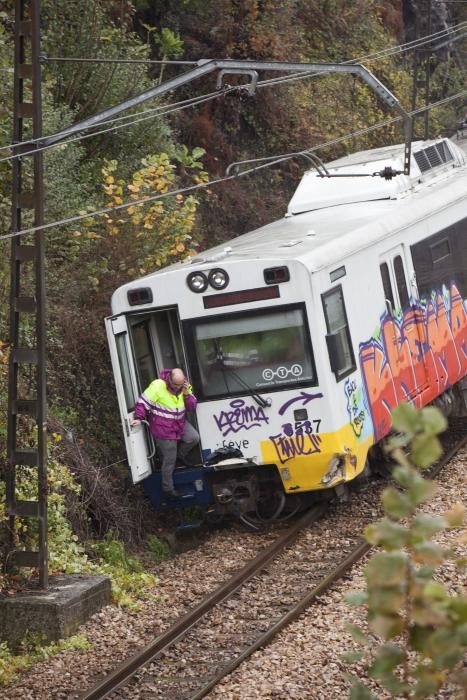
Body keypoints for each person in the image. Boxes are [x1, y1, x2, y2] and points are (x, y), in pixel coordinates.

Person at [131, 368, 199, 498]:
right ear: (169, 380)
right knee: (170, 459)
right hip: (162, 427)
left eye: (181, 384)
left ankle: (181, 455)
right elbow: (142, 402)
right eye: (176, 385)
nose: (178, 387)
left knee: (194, 438)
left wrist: (187, 394)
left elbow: (192, 407)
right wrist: (138, 418)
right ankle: (168, 489)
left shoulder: (184, 386)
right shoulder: (158, 385)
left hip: (179, 423)